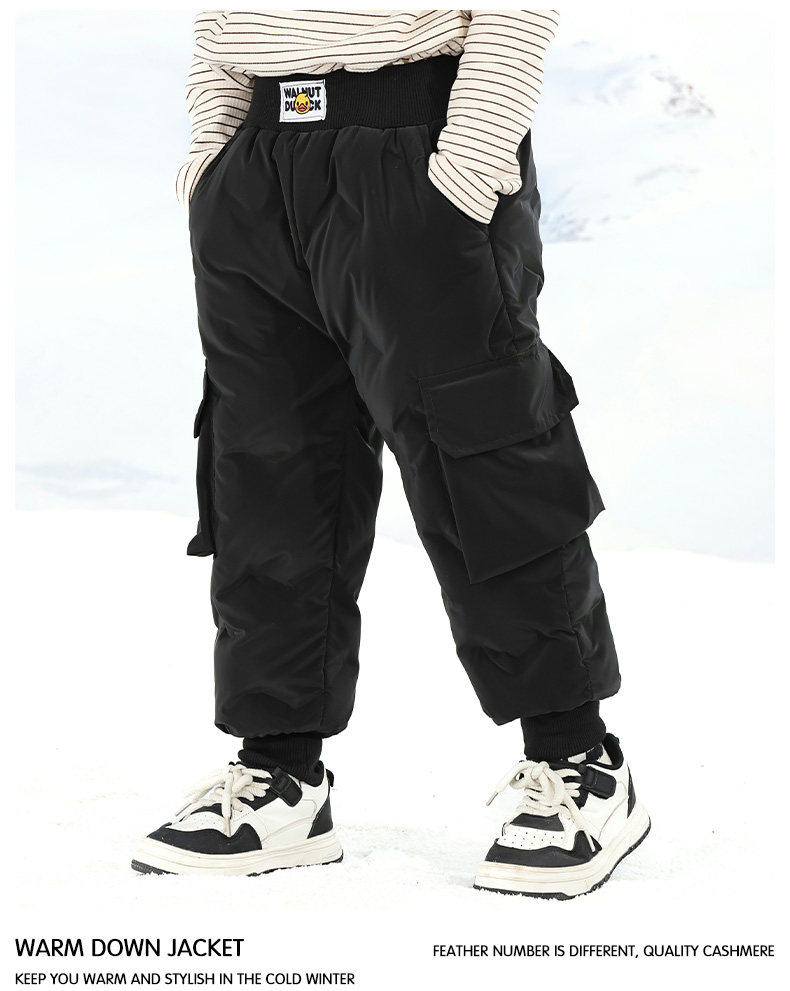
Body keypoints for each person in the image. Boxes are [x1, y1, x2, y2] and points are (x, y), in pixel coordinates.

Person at [133, 9, 650, 898]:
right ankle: (281, 771)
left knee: (482, 452)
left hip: (415, 150)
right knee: (266, 469)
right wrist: (213, 160)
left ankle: (579, 759)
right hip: (258, 163)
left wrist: (468, 168)